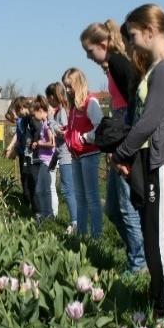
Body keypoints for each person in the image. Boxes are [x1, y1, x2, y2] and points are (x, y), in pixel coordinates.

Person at [112, 3, 164, 323]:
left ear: (149, 31)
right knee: (156, 238)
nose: (130, 43)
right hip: (155, 161)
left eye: (132, 36)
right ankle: (161, 303)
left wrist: (122, 153)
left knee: (161, 241)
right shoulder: (158, 68)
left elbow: (148, 123)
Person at [81, 20, 147, 274]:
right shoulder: (114, 65)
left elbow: (134, 103)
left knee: (125, 205)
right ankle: (138, 254)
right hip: (121, 135)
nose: (89, 57)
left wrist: (125, 143)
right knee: (113, 208)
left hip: (125, 137)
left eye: (90, 51)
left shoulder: (120, 63)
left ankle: (139, 264)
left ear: (102, 44)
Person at [63, 67, 103, 238]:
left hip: (89, 154)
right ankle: (81, 234)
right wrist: (67, 135)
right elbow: (74, 129)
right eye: (65, 86)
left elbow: (100, 127)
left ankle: (96, 236)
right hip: (76, 156)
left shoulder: (90, 102)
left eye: (69, 86)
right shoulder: (74, 107)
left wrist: (84, 138)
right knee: (80, 197)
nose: (67, 90)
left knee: (92, 197)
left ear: (78, 84)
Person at [45, 82, 77, 234]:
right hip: (62, 153)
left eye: (48, 98)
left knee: (68, 189)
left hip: (67, 155)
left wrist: (51, 122)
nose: (48, 102)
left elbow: (64, 131)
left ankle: (75, 222)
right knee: (68, 189)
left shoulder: (62, 111)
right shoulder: (60, 110)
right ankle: (76, 221)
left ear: (52, 97)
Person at [30, 95, 55, 221]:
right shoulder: (45, 123)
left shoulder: (47, 125)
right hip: (44, 159)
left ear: (40, 111)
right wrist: (38, 142)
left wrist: (39, 143)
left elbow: (52, 143)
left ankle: (47, 214)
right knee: (43, 188)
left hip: (47, 161)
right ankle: (48, 214)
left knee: (41, 189)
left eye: (35, 115)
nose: (34, 118)